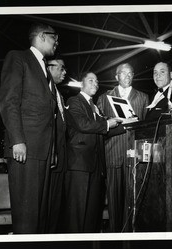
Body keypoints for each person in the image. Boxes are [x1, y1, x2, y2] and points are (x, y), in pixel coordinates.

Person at [0, 22, 58, 234]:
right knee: (27, 216)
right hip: (25, 148)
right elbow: (9, 101)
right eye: (54, 38)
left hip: (42, 151)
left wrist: (51, 151)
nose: (56, 43)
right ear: (42, 36)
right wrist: (17, 140)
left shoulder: (45, 69)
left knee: (40, 215)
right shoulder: (18, 58)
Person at [63, 72, 124, 233]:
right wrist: (107, 123)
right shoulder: (74, 101)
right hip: (80, 165)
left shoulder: (95, 106)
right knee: (77, 215)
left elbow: (104, 131)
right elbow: (83, 124)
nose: (95, 84)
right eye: (91, 80)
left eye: (97, 82)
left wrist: (127, 124)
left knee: (91, 215)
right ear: (81, 83)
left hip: (96, 166)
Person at [97, 63, 149, 232]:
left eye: (130, 73)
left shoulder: (143, 98)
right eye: (123, 73)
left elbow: (146, 130)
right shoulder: (104, 98)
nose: (127, 76)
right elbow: (99, 126)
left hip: (134, 157)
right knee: (113, 202)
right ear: (116, 76)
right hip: (112, 154)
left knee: (132, 202)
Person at [45, 57, 67, 233]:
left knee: (55, 206)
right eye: (61, 68)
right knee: (47, 204)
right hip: (50, 155)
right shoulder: (45, 89)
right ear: (49, 68)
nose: (64, 72)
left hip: (59, 156)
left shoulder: (58, 93)